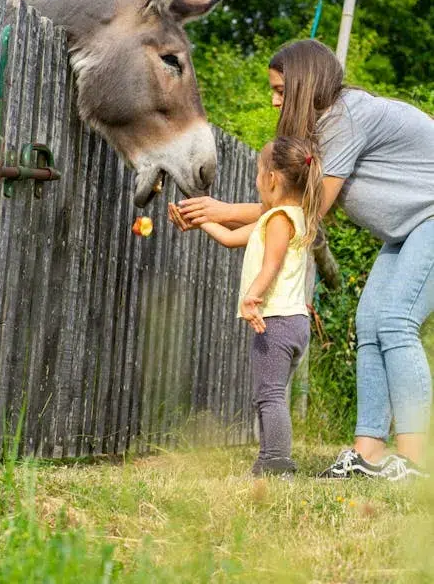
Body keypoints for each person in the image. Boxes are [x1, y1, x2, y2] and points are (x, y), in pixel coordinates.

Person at [169, 39, 434, 481]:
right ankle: (367, 455)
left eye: (279, 90)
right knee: (371, 323)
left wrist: (222, 210)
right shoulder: (327, 124)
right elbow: (292, 206)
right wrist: (216, 215)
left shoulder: (346, 118)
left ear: (304, 84)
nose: (274, 100)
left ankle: (416, 463)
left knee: (395, 322)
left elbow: (307, 209)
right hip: (406, 231)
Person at [170, 136, 322, 477]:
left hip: (277, 320)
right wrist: (194, 218)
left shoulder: (280, 219)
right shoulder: (287, 217)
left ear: (272, 179)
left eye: (257, 173)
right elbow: (230, 238)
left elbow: (272, 264)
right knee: (269, 395)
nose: (255, 181)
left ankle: (278, 464)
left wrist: (252, 296)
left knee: (270, 396)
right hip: (290, 321)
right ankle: (267, 461)